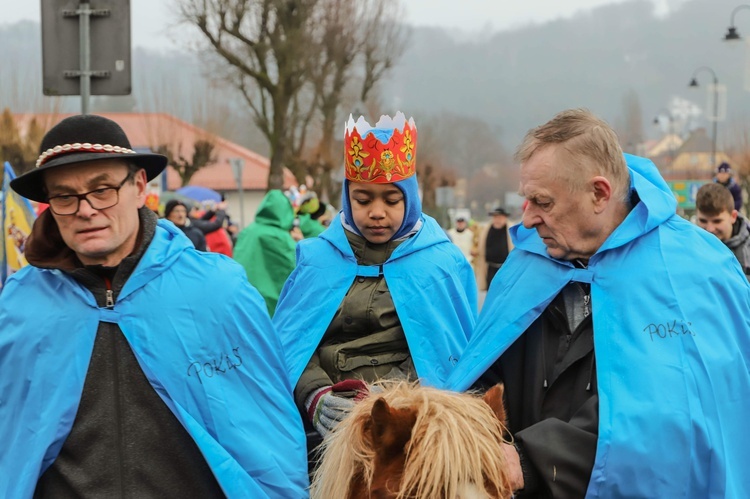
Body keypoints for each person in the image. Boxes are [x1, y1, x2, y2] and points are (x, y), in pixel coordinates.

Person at [444, 109, 750, 498]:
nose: (529, 218)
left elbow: (669, 413)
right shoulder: (527, 263)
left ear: (599, 193)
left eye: (543, 202)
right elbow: (486, 374)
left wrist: (531, 460)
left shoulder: (695, 269)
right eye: (527, 200)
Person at [0, 114, 308, 498]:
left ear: (139, 186)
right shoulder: (19, 304)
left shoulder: (216, 290)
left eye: (103, 189)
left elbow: (269, 434)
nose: (85, 209)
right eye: (65, 196)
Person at [273, 112, 477, 460]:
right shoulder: (317, 259)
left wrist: (387, 399)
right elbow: (291, 345)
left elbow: (446, 353)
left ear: (410, 199)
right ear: (347, 198)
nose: (377, 212)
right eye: (363, 200)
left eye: (391, 200)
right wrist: (315, 396)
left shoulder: (440, 264)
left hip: (410, 425)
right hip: (318, 427)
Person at [233, 189, 299, 316]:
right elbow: (298, 267)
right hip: (269, 307)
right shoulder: (280, 237)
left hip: (242, 299)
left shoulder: (247, 231)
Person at [695, 182, 750, 279]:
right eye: (703, 221)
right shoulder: (689, 246)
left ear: (733, 216)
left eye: (717, 221)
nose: (710, 229)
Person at [475, 206, 514, 291]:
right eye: (495, 217)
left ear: (505, 218)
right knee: (491, 292)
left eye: (499, 217)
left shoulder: (511, 231)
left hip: (506, 268)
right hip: (490, 268)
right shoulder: (486, 230)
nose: (497, 220)